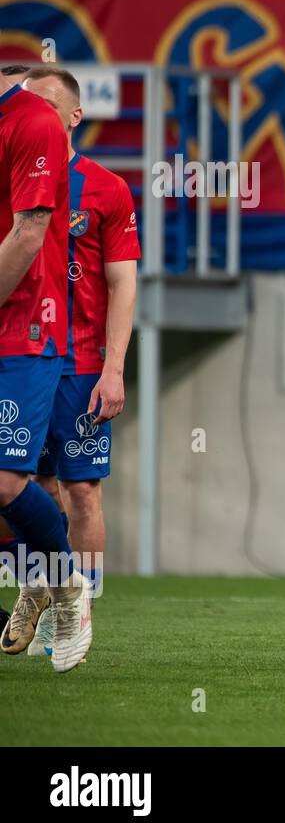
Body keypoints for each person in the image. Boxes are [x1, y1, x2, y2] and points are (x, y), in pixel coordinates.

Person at [19, 66, 139, 656]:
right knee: (22, 484)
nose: (25, 113)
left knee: (81, 491)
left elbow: (123, 284)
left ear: (72, 116)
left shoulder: (107, 189)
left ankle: (79, 607)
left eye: (40, 104)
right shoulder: (10, 180)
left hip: (82, 361)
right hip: (21, 350)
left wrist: (114, 366)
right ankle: (41, 587)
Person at [0, 64, 92, 672]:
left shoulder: (33, 122)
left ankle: (68, 588)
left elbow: (30, 234)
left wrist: (112, 363)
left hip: (28, 329)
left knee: (15, 483)